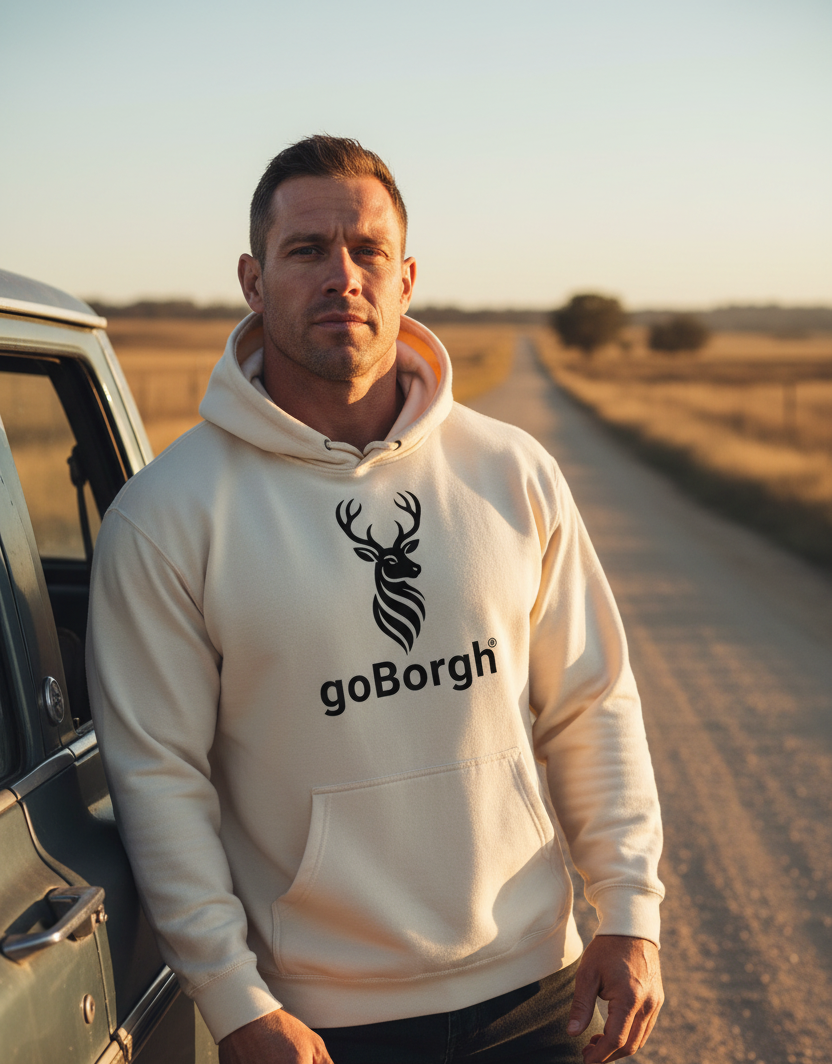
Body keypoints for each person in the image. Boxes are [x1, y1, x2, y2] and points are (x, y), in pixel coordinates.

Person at [87, 135, 664, 1064]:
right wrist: (235, 1002)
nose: (342, 277)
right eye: (307, 250)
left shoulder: (512, 472)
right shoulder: (167, 517)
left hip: (537, 991)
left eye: (368, 251)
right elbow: (159, 776)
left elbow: (591, 705)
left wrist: (630, 909)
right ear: (253, 279)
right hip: (321, 1023)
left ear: (406, 278)